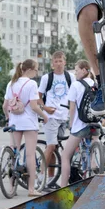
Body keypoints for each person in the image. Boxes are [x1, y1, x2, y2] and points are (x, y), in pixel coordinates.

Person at [3, 59, 48, 197]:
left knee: (14, 152)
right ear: (29, 70)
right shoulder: (32, 83)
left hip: (14, 122)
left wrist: (8, 117)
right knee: (30, 154)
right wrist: (44, 116)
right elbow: (34, 106)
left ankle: (11, 186)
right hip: (29, 122)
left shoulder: (11, 83)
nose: (37, 72)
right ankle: (31, 189)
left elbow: (5, 106)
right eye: (36, 70)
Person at [38, 51, 75, 190]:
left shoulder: (70, 77)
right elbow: (38, 96)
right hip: (51, 117)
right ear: (52, 64)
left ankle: (51, 179)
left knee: (56, 148)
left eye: (61, 61)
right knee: (51, 146)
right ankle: (41, 178)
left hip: (63, 117)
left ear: (65, 62)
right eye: (56, 61)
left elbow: (74, 96)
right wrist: (45, 108)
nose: (59, 64)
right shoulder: (47, 78)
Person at [60, 60, 100, 187]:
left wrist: (71, 124)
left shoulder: (76, 85)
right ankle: (93, 160)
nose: (75, 73)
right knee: (94, 140)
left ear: (84, 70)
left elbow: (72, 108)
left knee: (65, 156)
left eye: (77, 70)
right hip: (94, 124)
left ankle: (62, 186)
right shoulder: (95, 84)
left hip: (80, 126)